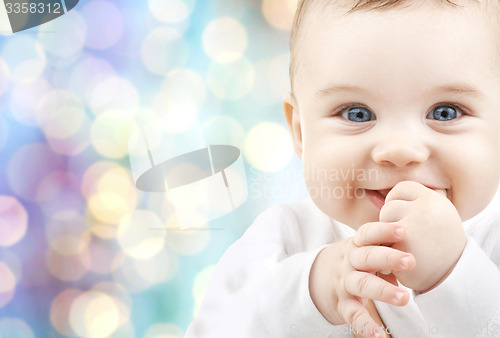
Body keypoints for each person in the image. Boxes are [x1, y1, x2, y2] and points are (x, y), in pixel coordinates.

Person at [185, 0, 500, 337]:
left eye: (445, 112)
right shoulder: (285, 240)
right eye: (357, 114)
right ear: (301, 132)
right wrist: (311, 291)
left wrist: (453, 273)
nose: (399, 151)